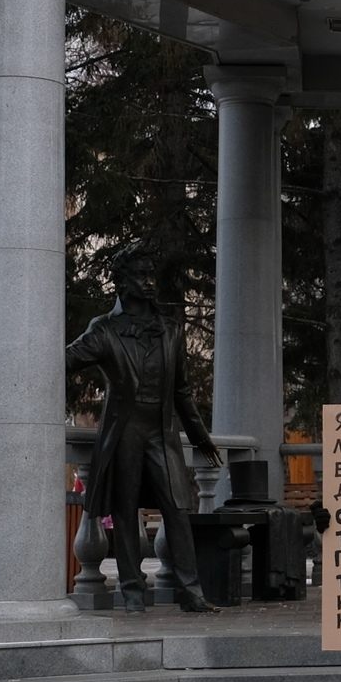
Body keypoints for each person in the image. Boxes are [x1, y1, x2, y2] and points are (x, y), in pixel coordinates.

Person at [65, 243, 218, 613]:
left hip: (161, 432)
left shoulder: (170, 329)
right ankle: (132, 593)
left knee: (178, 508)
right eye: (141, 275)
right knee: (125, 509)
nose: (150, 282)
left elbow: (181, 391)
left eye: (152, 275)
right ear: (121, 282)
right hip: (124, 432)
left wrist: (199, 435)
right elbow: (63, 361)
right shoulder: (104, 330)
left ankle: (190, 590)